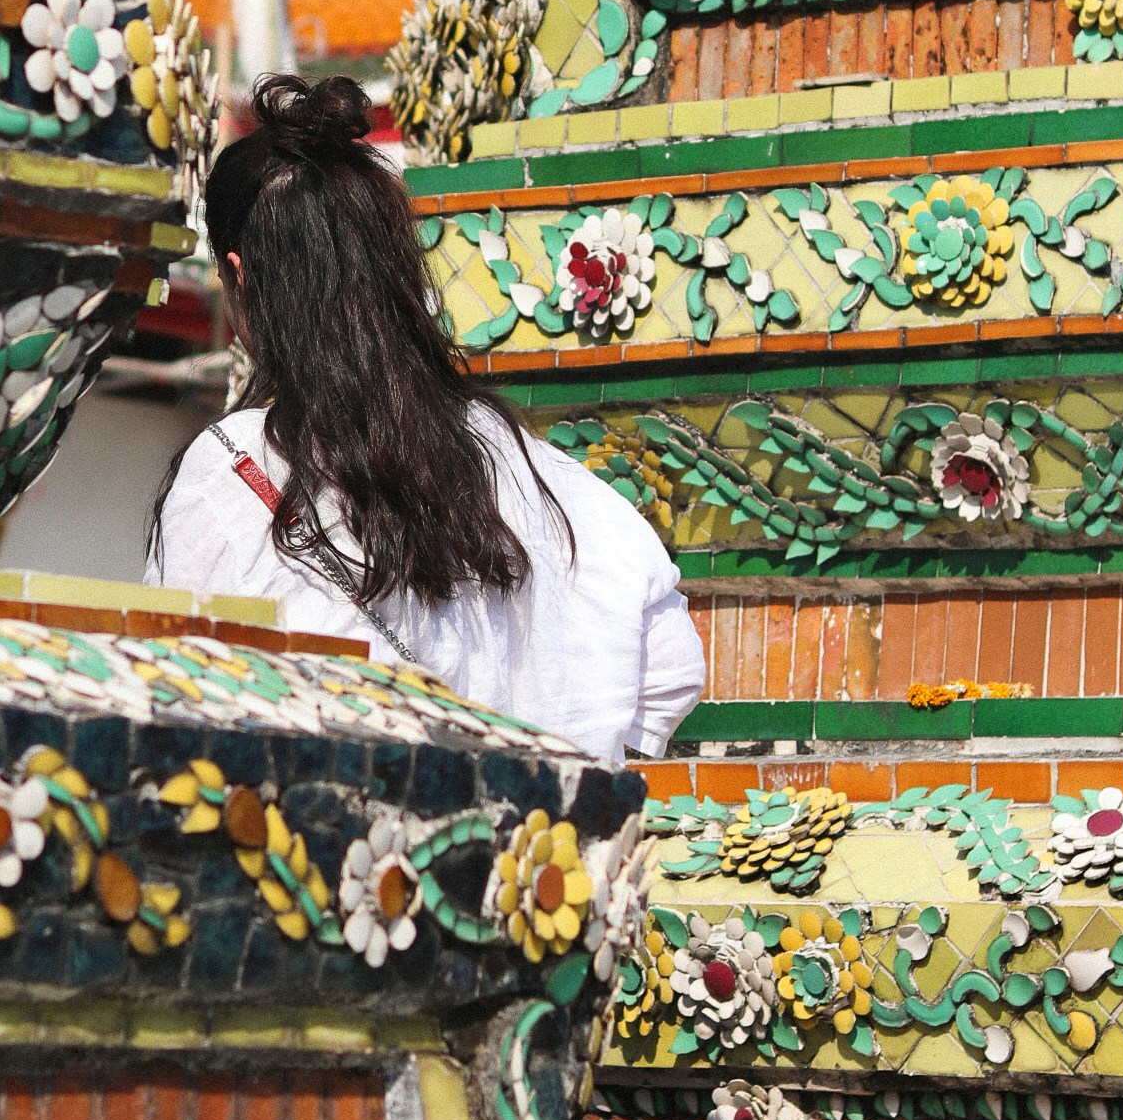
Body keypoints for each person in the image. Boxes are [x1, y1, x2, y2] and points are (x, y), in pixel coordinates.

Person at [146, 73, 704, 767]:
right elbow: (672, 667)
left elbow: (180, 701)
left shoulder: (230, 471)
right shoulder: (512, 456)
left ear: (242, 277)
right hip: (535, 857)